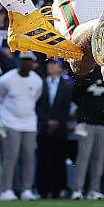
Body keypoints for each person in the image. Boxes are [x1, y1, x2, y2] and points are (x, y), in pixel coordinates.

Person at [0, 53, 43, 200]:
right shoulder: (7, 79)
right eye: (24, 61)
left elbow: (36, 97)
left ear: (33, 63)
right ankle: (6, 189)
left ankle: (27, 189)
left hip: (29, 123)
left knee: (29, 156)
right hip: (10, 121)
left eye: (29, 61)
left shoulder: (37, 80)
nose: (26, 63)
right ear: (19, 62)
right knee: (11, 156)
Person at [70, 69, 104, 199]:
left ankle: (95, 189)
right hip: (84, 124)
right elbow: (75, 96)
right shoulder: (84, 77)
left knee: (99, 159)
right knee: (82, 157)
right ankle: (77, 189)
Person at [36, 59, 73, 198]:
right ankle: (43, 190)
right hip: (44, 128)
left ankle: (58, 189)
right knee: (43, 159)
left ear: (60, 68)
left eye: (54, 64)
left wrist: (57, 122)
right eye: (49, 64)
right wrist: (47, 122)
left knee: (58, 159)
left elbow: (66, 108)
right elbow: (38, 106)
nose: (50, 66)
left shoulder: (66, 86)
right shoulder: (41, 84)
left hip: (59, 128)